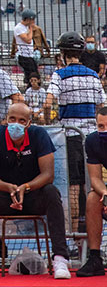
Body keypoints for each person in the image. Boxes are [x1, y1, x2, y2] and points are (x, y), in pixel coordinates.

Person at [0, 101, 71, 280]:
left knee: (52, 191)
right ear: (6, 119)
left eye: (22, 120)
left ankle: (60, 257)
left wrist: (26, 187)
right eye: (12, 119)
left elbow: (48, 175)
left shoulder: (39, 135)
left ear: (29, 123)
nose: (16, 123)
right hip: (5, 198)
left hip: (34, 197)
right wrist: (8, 188)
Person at [45, 31, 105, 232]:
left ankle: (73, 233)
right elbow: (102, 105)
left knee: (73, 184)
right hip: (91, 137)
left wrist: (48, 119)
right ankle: (91, 231)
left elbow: (48, 102)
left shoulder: (59, 75)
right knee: (91, 184)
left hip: (69, 136)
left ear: (62, 53)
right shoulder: (93, 75)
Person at [75, 105, 107, 276]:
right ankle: (95, 258)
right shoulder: (93, 141)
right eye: (100, 126)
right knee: (94, 198)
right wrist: (106, 194)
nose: (104, 130)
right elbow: (95, 178)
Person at [13, 9, 39, 83]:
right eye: (32, 19)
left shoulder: (25, 27)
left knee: (34, 76)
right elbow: (28, 40)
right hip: (24, 56)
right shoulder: (19, 28)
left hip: (30, 55)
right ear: (27, 19)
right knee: (32, 77)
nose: (34, 21)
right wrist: (31, 29)